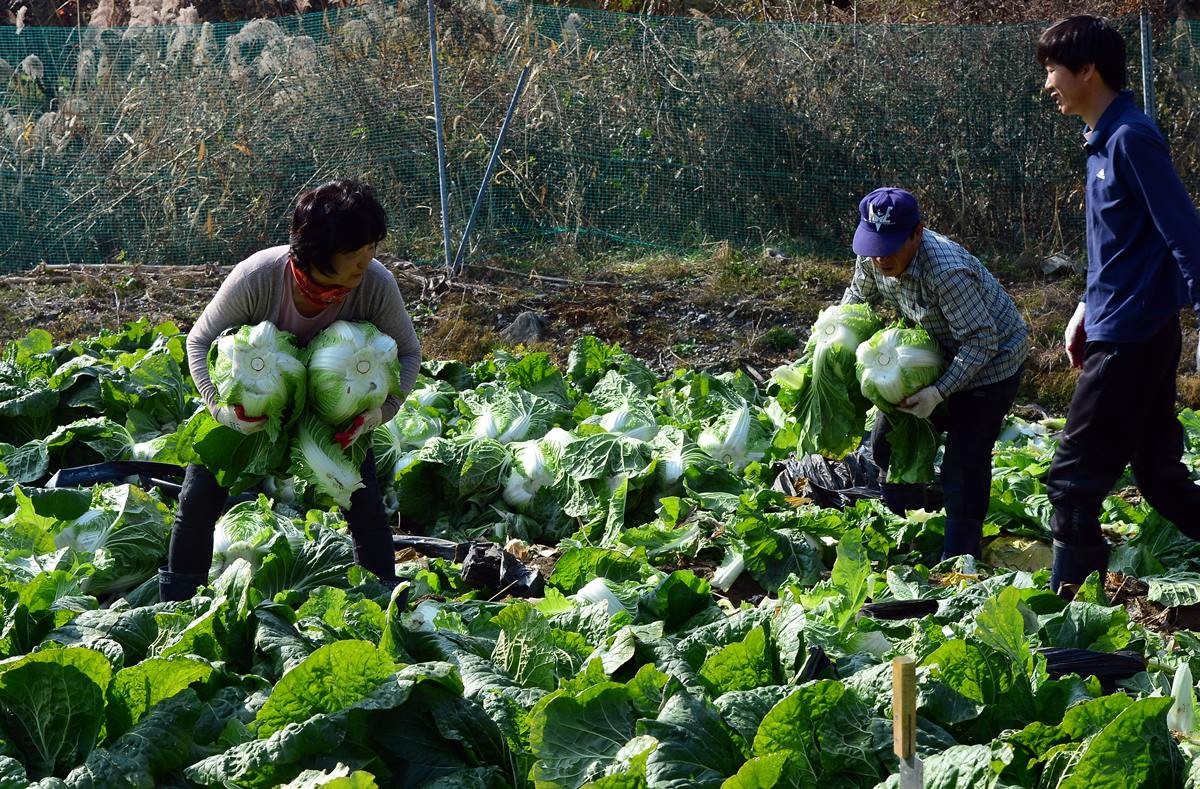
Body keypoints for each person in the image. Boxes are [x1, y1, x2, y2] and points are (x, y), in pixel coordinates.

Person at [158, 178, 423, 602]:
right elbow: (198, 341)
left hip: (333, 415)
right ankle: (176, 600)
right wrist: (219, 408)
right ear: (318, 254)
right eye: (355, 255)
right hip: (254, 402)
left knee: (365, 507)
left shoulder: (375, 283)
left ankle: (384, 600)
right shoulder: (258, 277)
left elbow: (409, 352)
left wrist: (381, 411)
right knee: (198, 499)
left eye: (372, 248)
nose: (366, 262)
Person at [1037, 16, 1200, 596]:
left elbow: (1183, 231)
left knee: (1072, 485)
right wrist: (1086, 305)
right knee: (1158, 477)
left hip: (1131, 337)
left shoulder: (1131, 137)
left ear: (1088, 71)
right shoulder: (1101, 141)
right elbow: (1123, 242)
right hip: (1122, 323)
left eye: (1054, 70)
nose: (1048, 83)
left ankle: (1070, 626)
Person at [841, 186, 1029, 560]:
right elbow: (857, 299)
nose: (881, 258)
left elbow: (980, 342)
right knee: (887, 442)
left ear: (917, 232)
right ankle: (906, 531)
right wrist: (834, 338)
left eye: (892, 245)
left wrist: (938, 393)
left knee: (965, 459)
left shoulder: (946, 272)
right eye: (874, 246)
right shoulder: (873, 255)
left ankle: (959, 559)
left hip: (993, 363)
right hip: (932, 354)